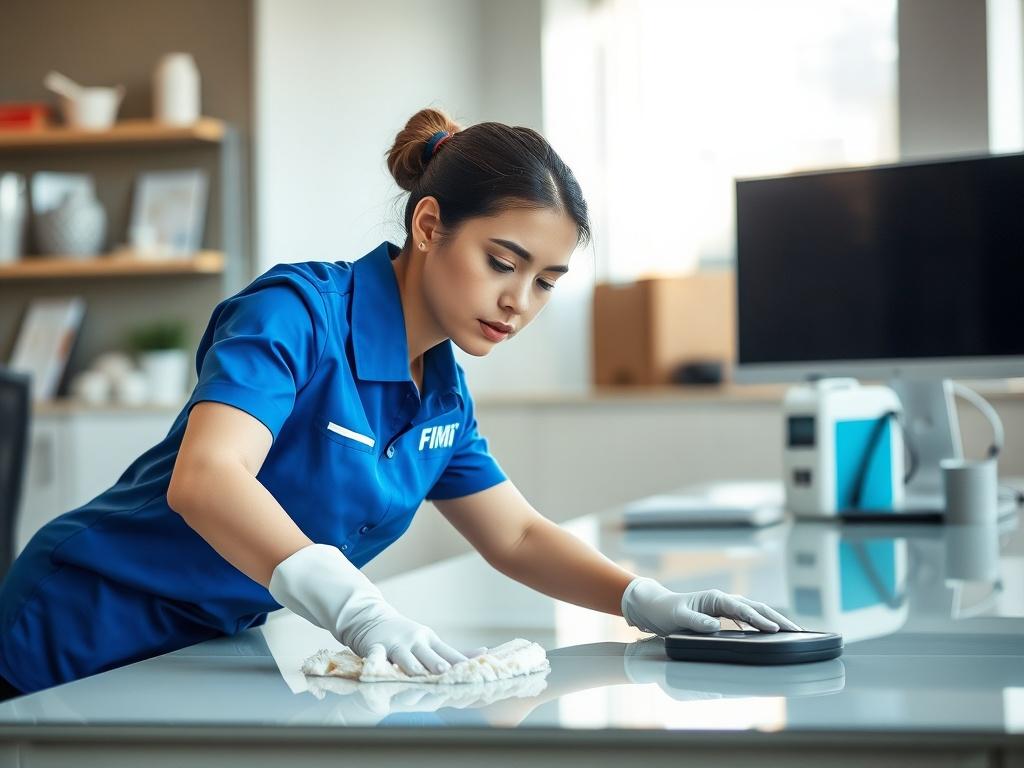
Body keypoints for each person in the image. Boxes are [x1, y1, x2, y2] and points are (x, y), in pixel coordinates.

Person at [0, 107, 799, 700]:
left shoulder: (441, 388)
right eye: (502, 262)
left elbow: (516, 534)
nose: (519, 301)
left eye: (547, 283)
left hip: (202, 649)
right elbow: (207, 479)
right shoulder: (298, 311)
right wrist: (359, 611)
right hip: (78, 625)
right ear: (428, 225)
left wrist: (643, 601)